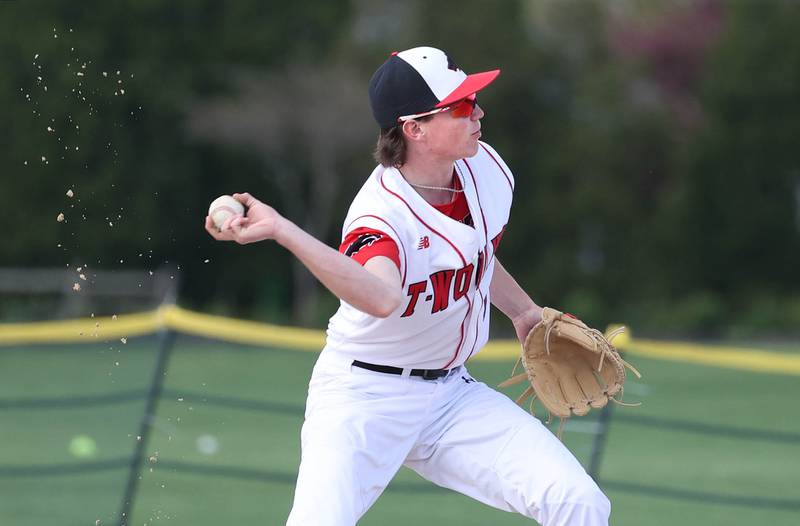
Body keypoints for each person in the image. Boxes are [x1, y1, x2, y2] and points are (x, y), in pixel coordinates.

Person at [205, 46, 610, 526]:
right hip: (364, 398)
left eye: (473, 98)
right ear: (414, 129)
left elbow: (475, 253)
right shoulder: (380, 216)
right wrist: (282, 229)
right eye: (460, 106)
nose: (478, 111)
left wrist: (523, 312)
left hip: (452, 397)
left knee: (578, 502)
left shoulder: (487, 169)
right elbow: (382, 296)